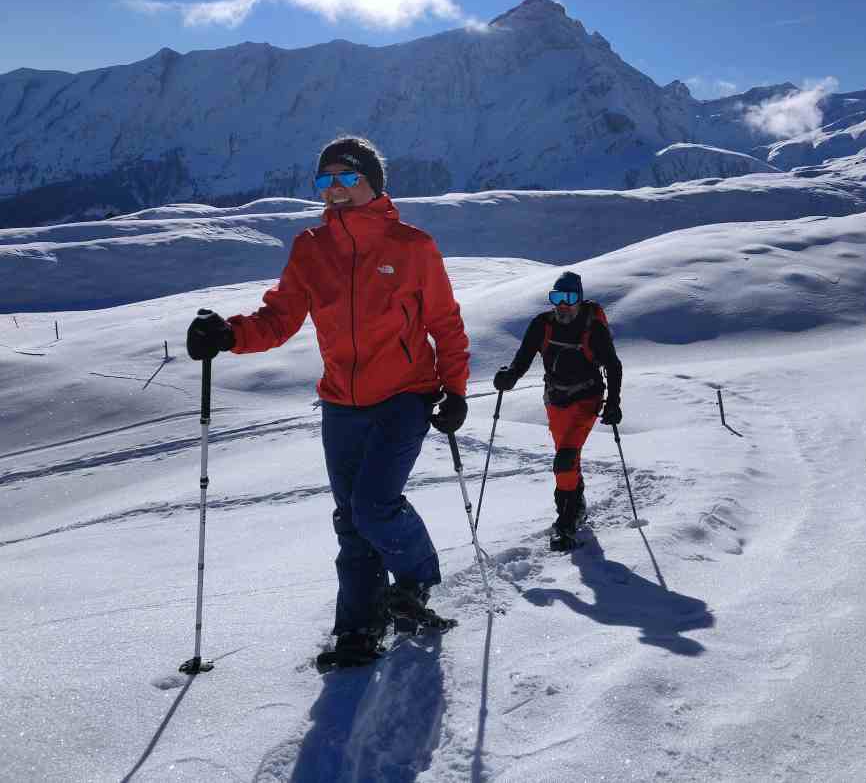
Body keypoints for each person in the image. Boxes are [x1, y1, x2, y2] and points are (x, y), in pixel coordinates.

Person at [186, 136, 470, 666]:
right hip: (341, 401)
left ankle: (414, 581)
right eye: (325, 180)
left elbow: (444, 325)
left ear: (372, 182)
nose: (335, 189)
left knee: (374, 505)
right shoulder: (311, 248)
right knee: (351, 518)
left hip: (405, 394)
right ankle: (358, 627)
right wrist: (228, 335)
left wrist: (454, 389)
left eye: (347, 178)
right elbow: (280, 318)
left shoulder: (413, 247)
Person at [492, 271, 622, 551]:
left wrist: (613, 402)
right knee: (567, 457)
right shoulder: (542, 325)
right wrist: (510, 376)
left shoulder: (593, 328)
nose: (563, 304)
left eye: (570, 298)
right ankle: (577, 504)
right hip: (555, 401)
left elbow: (613, 365)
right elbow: (523, 358)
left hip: (587, 399)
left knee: (564, 459)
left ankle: (566, 522)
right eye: (557, 298)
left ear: (579, 299)